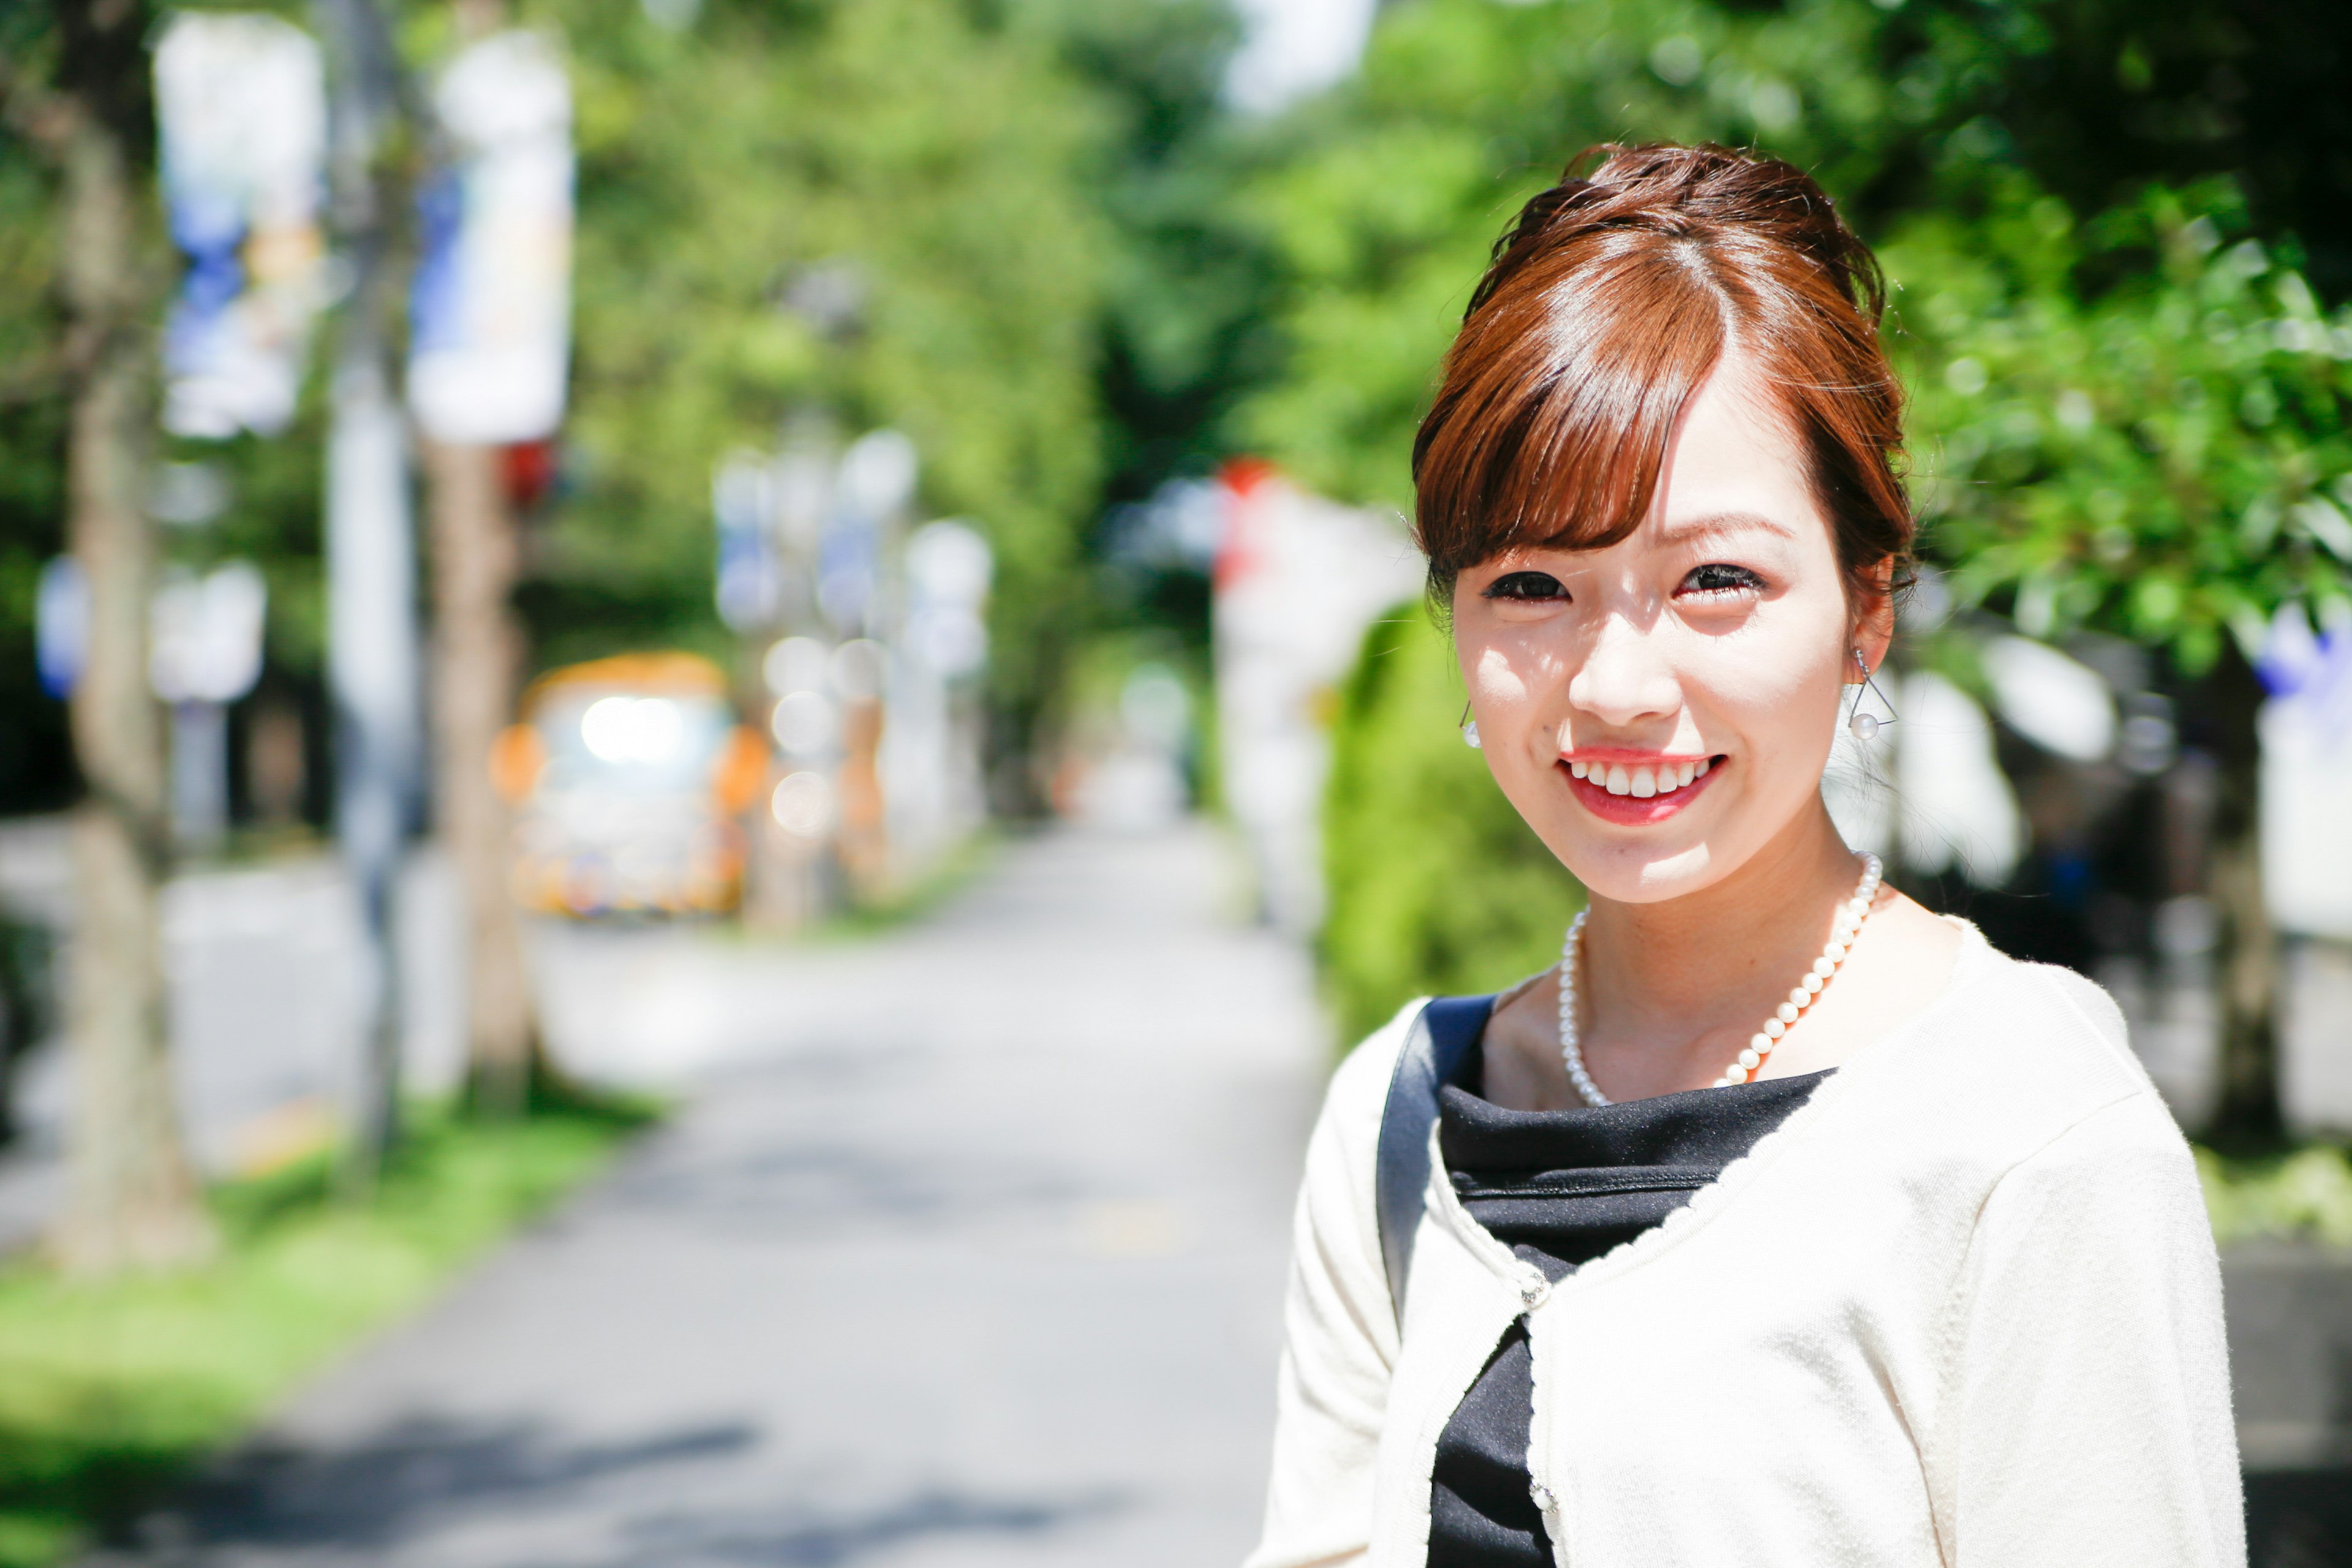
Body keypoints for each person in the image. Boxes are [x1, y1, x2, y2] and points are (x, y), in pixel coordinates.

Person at [1245, 144, 2241, 1568]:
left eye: (1718, 577)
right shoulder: (1400, 1114)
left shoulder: (2030, 1133)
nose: (1616, 685)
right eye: (1532, 584)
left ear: (1865, 609)